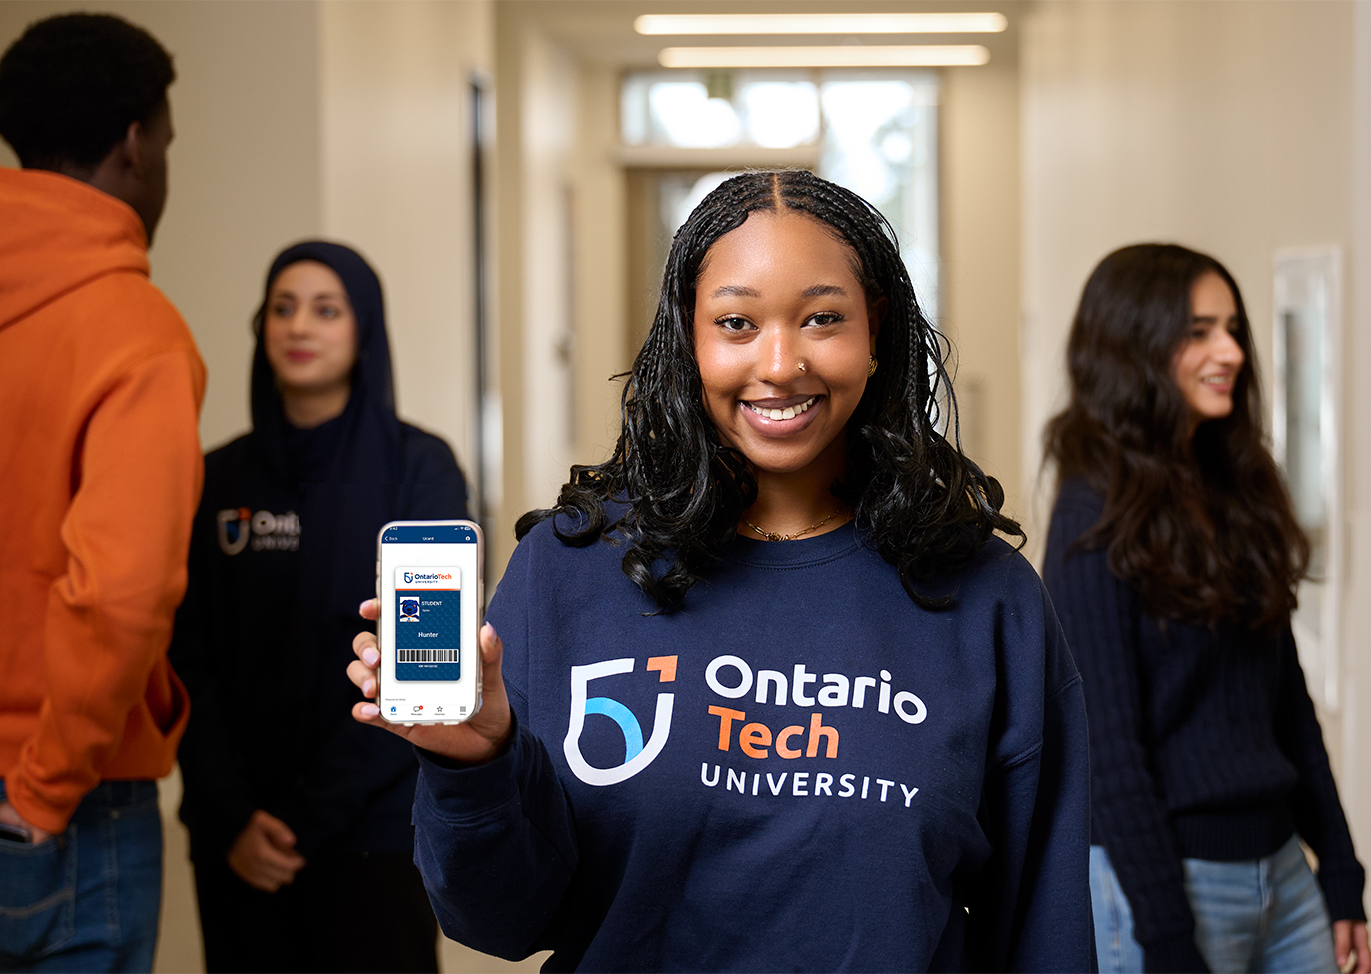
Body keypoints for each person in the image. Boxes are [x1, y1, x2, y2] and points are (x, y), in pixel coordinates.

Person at [342, 170, 1094, 971]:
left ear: (874, 329)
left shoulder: (986, 596)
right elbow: (501, 922)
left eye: (823, 318)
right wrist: (473, 763)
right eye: (737, 322)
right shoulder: (569, 573)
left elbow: (1043, 928)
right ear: (688, 337)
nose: (780, 363)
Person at [0, 13, 200, 972]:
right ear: (134, 143)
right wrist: (44, 790)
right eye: (166, 145)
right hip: (53, 795)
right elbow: (120, 594)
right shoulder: (135, 331)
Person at [1043, 244, 1371, 974]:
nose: (1231, 352)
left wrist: (1341, 873)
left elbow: (1288, 706)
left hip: (1283, 868)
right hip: (1165, 884)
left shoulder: (1236, 489)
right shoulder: (1090, 516)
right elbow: (1110, 752)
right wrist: (1167, 937)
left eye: (1231, 329)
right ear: (1133, 347)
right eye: (1198, 332)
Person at [170, 241, 467, 972]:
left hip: (374, 830)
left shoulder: (420, 470)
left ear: (364, 329)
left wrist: (306, 818)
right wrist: (233, 816)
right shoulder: (215, 478)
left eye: (326, 310)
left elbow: (424, 664)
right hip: (237, 839)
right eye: (283, 308)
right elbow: (185, 656)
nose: (299, 326)